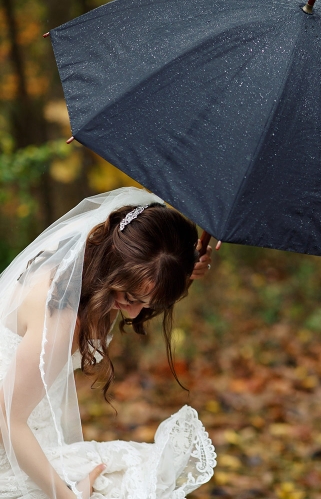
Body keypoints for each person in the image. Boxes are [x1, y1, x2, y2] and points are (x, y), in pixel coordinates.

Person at [0, 187, 217, 498]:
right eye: (129, 297)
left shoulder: (86, 269)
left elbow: (152, 270)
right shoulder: (60, 317)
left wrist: (182, 271)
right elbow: (7, 418)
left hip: (30, 436)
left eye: (147, 303)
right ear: (114, 264)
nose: (133, 312)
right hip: (12, 446)